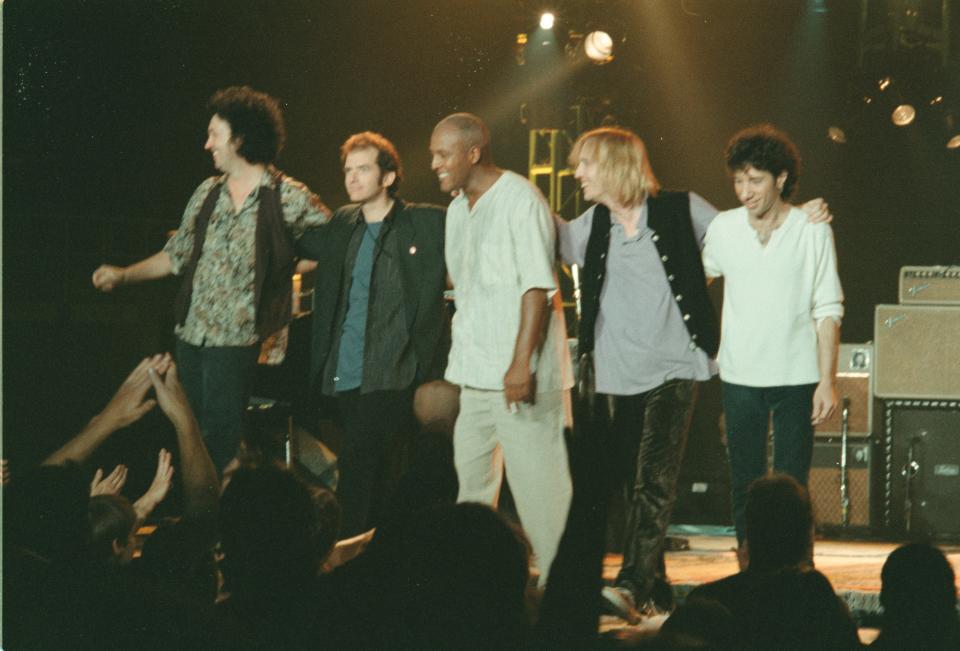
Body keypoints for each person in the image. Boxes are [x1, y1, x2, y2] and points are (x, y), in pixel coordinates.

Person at [559, 126, 834, 622]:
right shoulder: (589, 224)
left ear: (618, 165)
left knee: (654, 479)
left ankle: (632, 583)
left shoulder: (682, 209)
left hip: (675, 365)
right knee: (629, 483)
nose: (577, 173)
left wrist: (805, 214)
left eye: (586, 163)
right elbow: (545, 235)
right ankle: (656, 585)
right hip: (613, 373)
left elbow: (747, 229)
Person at [92, 86, 330, 473]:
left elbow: (331, 243)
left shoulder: (286, 196)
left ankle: (219, 524)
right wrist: (123, 275)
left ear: (239, 138)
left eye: (214, 135)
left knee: (220, 439)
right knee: (190, 434)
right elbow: (176, 257)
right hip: (191, 334)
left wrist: (285, 266)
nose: (207, 145)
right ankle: (199, 517)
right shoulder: (207, 193)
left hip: (236, 338)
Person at [429, 112, 573, 586]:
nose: (434, 164)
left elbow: (537, 287)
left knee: (541, 494)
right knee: (471, 490)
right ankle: (474, 586)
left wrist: (519, 364)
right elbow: (461, 283)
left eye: (442, 154)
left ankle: (560, 591)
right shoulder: (456, 211)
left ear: (473, 152)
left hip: (521, 377)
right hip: (475, 377)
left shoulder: (520, 199)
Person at [297, 131, 447, 537]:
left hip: (392, 369)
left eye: (363, 169)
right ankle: (371, 552)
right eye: (348, 170)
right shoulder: (344, 222)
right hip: (345, 369)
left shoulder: (423, 220)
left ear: (388, 176)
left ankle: (346, 549)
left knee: (360, 463)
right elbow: (300, 245)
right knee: (372, 467)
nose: (352, 177)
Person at [702, 124, 843, 546]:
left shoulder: (812, 227)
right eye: (739, 180)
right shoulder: (724, 228)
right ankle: (748, 564)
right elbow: (692, 284)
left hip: (797, 376)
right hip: (740, 374)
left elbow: (828, 309)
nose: (745, 191)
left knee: (791, 483)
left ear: (781, 179)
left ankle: (796, 564)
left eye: (755, 180)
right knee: (744, 480)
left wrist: (827, 380)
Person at [684, 475, 860, 651]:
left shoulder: (705, 600)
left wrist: (749, 578)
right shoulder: (817, 597)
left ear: (749, 536)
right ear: (808, 538)